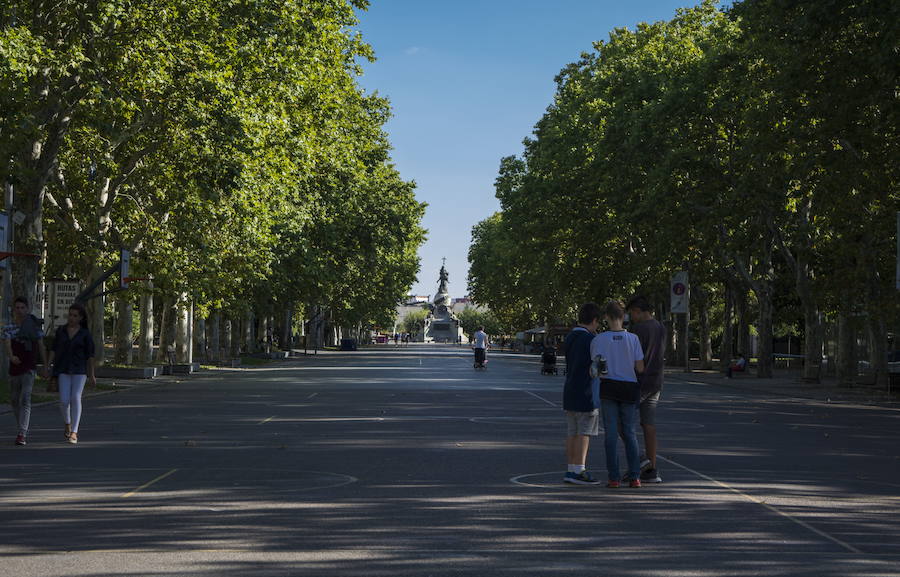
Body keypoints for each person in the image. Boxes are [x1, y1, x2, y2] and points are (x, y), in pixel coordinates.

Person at [591, 300, 644, 488]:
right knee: (629, 432)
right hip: (629, 386)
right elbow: (640, 367)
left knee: (611, 434)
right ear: (624, 317)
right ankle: (635, 476)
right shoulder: (634, 339)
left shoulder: (599, 340)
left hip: (609, 387)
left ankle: (613, 477)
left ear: (606, 317)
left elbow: (596, 367)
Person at [626, 295, 667, 484]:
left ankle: (641, 458)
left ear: (639, 311)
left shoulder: (638, 329)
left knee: (621, 421)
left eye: (632, 313)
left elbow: (634, 356)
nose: (631, 317)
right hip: (655, 381)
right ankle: (652, 468)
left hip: (638, 380)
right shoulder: (660, 327)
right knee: (648, 425)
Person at [562, 302, 602, 485]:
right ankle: (580, 469)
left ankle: (571, 468)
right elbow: (597, 367)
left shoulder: (570, 337)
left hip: (570, 389)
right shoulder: (591, 340)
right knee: (584, 432)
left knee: (572, 431)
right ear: (594, 320)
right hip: (586, 391)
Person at [47, 302, 96, 444]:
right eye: (70, 315)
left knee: (75, 397)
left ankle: (74, 432)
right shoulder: (61, 331)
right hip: (63, 368)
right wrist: (47, 365)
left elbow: (90, 355)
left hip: (79, 370)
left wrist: (92, 374)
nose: (72, 318)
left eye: (75, 316)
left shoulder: (85, 334)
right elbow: (54, 349)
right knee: (63, 400)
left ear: (81, 318)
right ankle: (67, 423)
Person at [3, 297, 49, 446]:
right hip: (15, 366)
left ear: (27, 309)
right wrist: (11, 356)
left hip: (29, 366)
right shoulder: (9, 327)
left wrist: (45, 365)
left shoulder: (34, 326)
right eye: (17, 307)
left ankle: (22, 432)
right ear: (14, 309)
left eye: (23, 307)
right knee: (14, 399)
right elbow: (7, 344)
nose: (20, 310)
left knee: (25, 398)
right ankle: (21, 427)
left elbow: (41, 346)